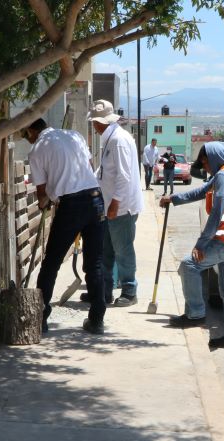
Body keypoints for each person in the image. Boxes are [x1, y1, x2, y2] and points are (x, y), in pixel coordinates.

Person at [160, 142, 224, 350]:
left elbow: (217, 214)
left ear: (215, 157)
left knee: (189, 265)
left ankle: (195, 314)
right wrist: (174, 198)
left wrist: (201, 244)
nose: (204, 166)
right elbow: (202, 191)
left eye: (205, 161)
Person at [22, 118, 106, 334]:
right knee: (94, 262)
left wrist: (45, 203)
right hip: (95, 198)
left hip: (70, 205)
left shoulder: (38, 149)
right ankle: (97, 320)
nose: (28, 140)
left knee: (51, 263)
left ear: (33, 130)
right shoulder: (74, 135)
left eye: (26, 135)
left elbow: (41, 193)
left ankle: (40, 317)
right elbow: (88, 168)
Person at [88, 99, 143, 307]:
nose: (93, 125)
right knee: (106, 251)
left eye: (95, 121)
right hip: (111, 205)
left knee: (123, 250)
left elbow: (124, 176)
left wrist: (114, 204)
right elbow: (104, 172)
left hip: (122, 207)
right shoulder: (109, 139)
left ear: (102, 122)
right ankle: (105, 291)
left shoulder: (118, 140)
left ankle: (129, 291)